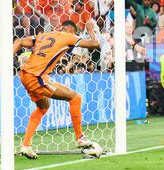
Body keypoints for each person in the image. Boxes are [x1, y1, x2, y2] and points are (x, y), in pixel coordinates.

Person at [13, 20, 101, 159]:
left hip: (25, 75)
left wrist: (7, 59)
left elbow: (19, 41)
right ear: (72, 31)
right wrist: (90, 30)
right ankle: (80, 138)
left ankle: (26, 145)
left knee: (43, 107)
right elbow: (95, 44)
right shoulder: (68, 36)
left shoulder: (44, 36)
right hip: (37, 77)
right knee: (75, 98)